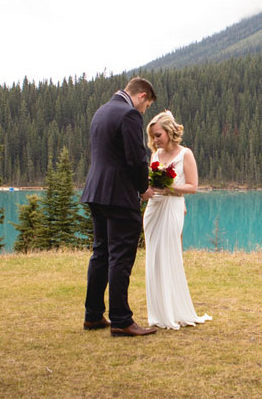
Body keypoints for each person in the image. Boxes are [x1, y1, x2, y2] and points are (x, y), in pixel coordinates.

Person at [80, 76, 158, 337]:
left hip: (96, 192)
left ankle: (92, 315)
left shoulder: (101, 111)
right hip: (119, 195)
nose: (143, 112)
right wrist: (143, 188)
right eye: (146, 107)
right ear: (142, 97)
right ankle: (121, 320)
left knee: (101, 252)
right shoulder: (129, 114)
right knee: (121, 255)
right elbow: (136, 159)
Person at [143, 111, 212, 329]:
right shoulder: (155, 156)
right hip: (154, 208)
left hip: (172, 207)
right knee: (153, 259)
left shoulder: (185, 154)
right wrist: (148, 188)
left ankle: (173, 311)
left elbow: (192, 187)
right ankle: (158, 313)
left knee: (170, 256)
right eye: (153, 136)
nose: (155, 140)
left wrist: (171, 188)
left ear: (169, 132)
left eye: (158, 135)